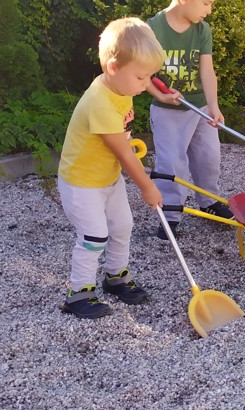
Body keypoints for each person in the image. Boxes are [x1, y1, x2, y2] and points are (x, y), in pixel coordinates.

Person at [58, 17, 164, 319]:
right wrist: (148, 187)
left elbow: (122, 142)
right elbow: (126, 156)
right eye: (141, 77)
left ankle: (116, 277)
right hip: (82, 183)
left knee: (122, 227)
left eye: (149, 77)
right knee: (94, 237)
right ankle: (79, 293)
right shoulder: (100, 103)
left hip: (107, 177)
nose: (145, 84)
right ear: (114, 67)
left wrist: (159, 92)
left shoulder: (121, 84)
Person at [146, 0, 233, 239]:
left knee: (209, 158)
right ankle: (170, 214)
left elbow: (207, 70)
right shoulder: (153, 30)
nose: (209, 10)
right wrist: (160, 95)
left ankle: (209, 202)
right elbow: (142, 74)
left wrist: (214, 107)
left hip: (200, 108)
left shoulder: (201, 30)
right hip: (167, 112)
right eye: (206, 3)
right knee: (171, 164)